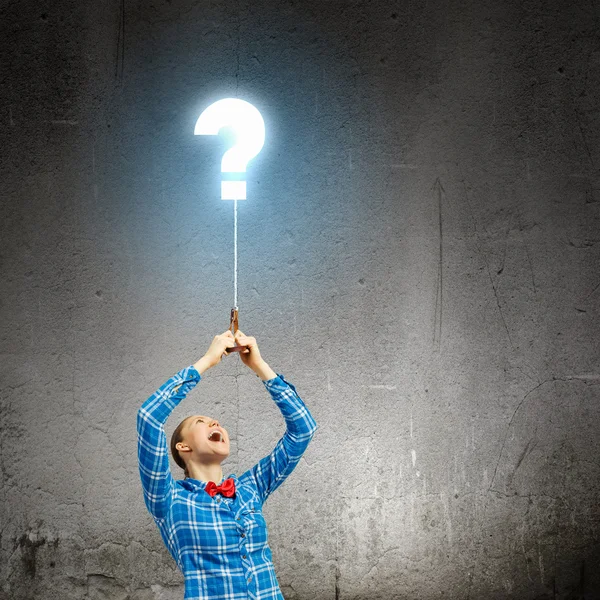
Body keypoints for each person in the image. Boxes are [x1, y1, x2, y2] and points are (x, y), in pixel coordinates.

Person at [136, 329, 318, 600]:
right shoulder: (168, 499)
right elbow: (149, 417)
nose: (214, 423)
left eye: (216, 421)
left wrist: (259, 366)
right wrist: (206, 361)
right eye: (200, 422)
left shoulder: (250, 488)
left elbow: (303, 429)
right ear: (182, 447)